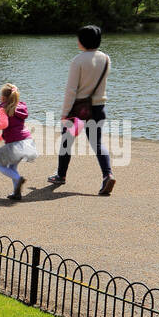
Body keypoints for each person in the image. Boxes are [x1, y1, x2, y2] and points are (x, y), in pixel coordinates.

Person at [49, 25, 116, 195]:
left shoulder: (78, 61)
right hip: (99, 107)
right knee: (97, 143)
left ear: (83, 41)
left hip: (78, 109)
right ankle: (107, 174)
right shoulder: (106, 59)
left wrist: (64, 113)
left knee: (66, 142)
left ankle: (61, 176)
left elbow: (71, 90)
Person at [0, 83, 38, 200]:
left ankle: (18, 179)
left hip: (15, 144)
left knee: (1, 167)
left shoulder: (3, 108)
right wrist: (0, 137)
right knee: (13, 167)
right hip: (27, 142)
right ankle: (17, 193)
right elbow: (14, 127)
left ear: (3, 97)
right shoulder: (19, 107)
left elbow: (5, 124)